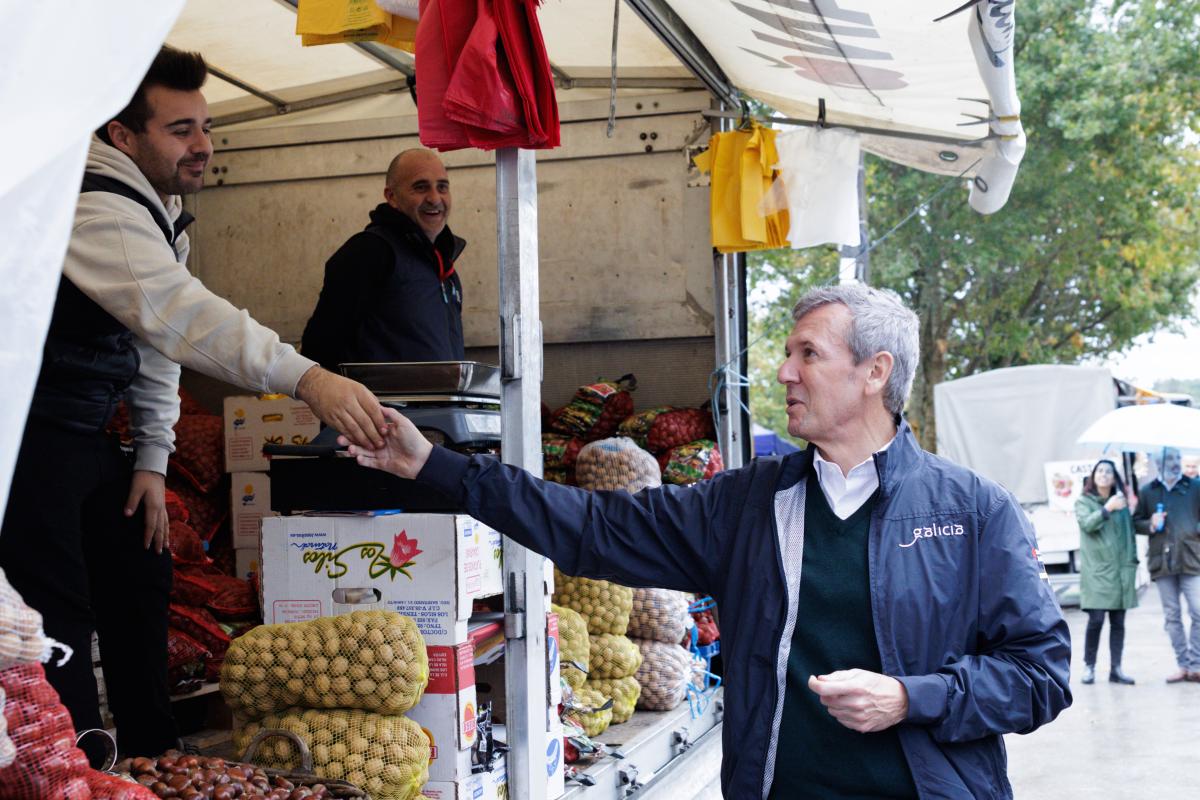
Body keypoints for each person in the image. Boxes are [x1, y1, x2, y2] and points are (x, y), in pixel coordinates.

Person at [345, 284, 1072, 798]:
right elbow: (595, 527)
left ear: (874, 372)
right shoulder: (748, 504)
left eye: (809, 354)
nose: (784, 372)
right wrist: (435, 465)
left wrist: (913, 697)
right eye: (787, 353)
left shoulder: (975, 512)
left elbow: (1041, 674)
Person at [0, 46, 388, 759]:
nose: (203, 145)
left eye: (206, 127)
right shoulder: (92, 204)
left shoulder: (157, 208)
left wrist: (152, 460)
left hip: (85, 425)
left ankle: (156, 756)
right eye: (180, 130)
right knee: (56, 612)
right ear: (122, 135)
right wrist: (308, 379)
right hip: (21, 434)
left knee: (140, 571)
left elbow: (156, 345)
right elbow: (181, 314)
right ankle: (77, 768)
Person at [300, 148, 465, 371]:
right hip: (379, 396)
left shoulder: (443, 265)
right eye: (421, 187)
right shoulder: (370, 251)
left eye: (442, 187)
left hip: (444, 396)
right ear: (392, 197)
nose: (435, 198)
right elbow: (319, 348)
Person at [1133, 447, 1200, 683]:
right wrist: (1150, 524)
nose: (1175, 462)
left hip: (1192, 558)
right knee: (1172, 616)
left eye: (1177, 458)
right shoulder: (1148, 491)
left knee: (1198, 611)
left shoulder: (1195, 487)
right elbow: (1136, 522)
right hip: (1161, 561)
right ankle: (1183, 665)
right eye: (1169, 458)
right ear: (1158, 463)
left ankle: (1196, 664)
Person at [1075, 459, 1138, 685]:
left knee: (1118, 622)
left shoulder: (1122, 504)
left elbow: (1131, 531)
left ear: (1114, 478)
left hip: (1121, 572)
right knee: (1096, 620)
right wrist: (1107, 508)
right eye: (1100, 471)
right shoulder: (1083, 501)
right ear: (1093, 476)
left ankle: (1116, 669)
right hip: (1097, 572)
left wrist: (1150, 524)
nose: (1104, 474)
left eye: (1108, 471)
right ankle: (1089, 666)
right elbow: (1087, 524)